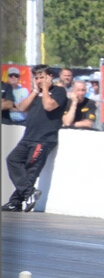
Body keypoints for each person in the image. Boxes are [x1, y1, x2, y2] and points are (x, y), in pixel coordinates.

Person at [2, 65, 67, 212]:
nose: (39, 81)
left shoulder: (59, 91)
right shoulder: (36, 92)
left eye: (42, 77)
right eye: (36, 78)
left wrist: (46, 89)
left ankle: (15, 202)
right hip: (28, 136)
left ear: (50, 77)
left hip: (44, 138)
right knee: (12, 160)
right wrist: (36, 91)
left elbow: (49, 106)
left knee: (31, 170)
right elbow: (22, 107)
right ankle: (29, 193)